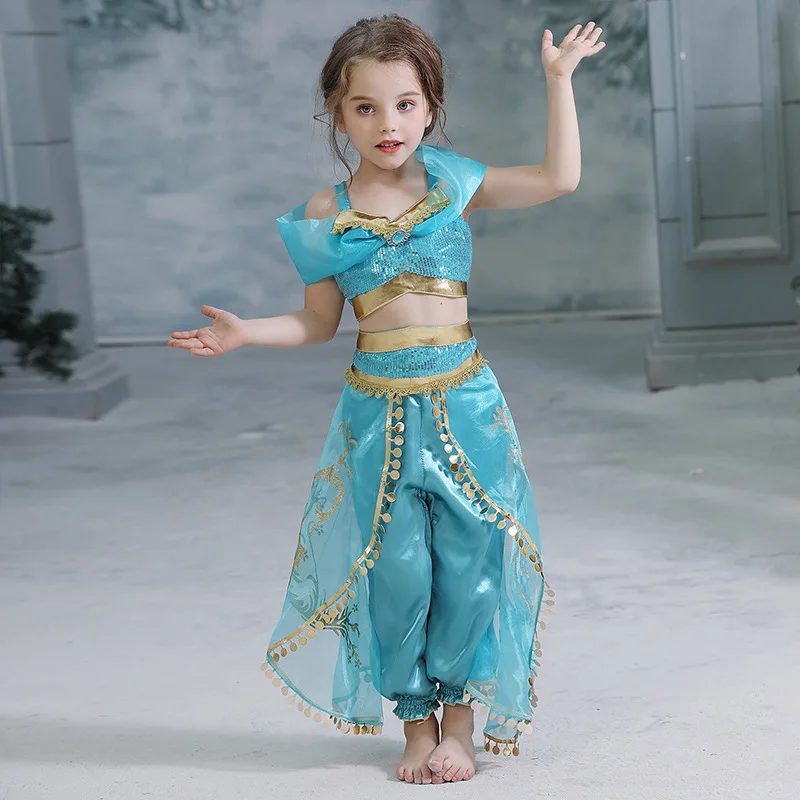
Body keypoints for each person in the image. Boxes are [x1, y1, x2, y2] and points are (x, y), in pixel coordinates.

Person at [168, 14, 604, 785]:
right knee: (397, 573)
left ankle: (459, 728)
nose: (387, 124)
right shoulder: (323, 213)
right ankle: (415, 724)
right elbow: (317, 323)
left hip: (466, 403)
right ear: (337, 116)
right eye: (365, 107)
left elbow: (557, 179)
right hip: (378, 412)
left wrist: (559, 82)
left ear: (430, 107)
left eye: (405, 104)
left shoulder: (455, 183)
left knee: (471, 563)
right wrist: (245, 333)